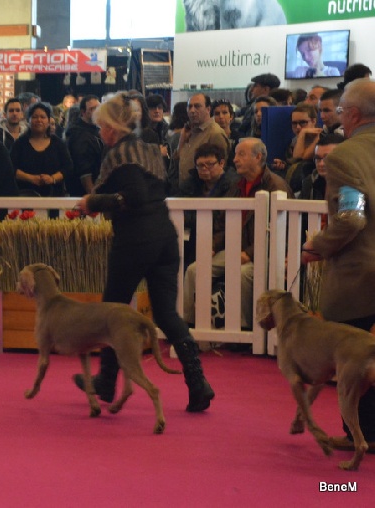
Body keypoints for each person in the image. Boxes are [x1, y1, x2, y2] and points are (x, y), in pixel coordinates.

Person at [71, 92, 214, 413]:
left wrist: (92, 202)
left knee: (112, 310)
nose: (100, 133)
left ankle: (107, 381)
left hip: (135, 240)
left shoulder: (120, 154)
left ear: (112, 127)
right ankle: (198, 383)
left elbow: (130, 197)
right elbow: (148, 194)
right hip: (164, 236)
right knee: (167, 314)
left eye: (102, 126)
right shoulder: (150, 149)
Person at [302, 78, 375, 450]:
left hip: (359, 278)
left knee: (353, 359)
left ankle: (364, 435)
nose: (340, 117)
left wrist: (319, 245)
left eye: (342, 111)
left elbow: (352, 218)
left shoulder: (346, 156)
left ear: (355, 115)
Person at [184, 138, 293, 331]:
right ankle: (188, 325)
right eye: (235, 155)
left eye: (241, 154)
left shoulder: (276, 186)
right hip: (235, 249)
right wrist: (214, 246)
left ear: (258, 157)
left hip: (267, 253)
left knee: (242, 274)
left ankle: (243, 330)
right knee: (194, 269)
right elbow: (222, 223)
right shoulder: (236, 187)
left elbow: (278, 229)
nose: (235, 160)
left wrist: (250, 253)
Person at [172, 92, 229, 196]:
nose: (192, 110)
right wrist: (181, 142)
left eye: (197, 106)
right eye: (190, 107)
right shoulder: (188, 132)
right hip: (185, 191)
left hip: (203, 195)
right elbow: (178, 165)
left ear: (208, 109)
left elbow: (221, 170)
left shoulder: (215, 133)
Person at [10, 102, 71, 198]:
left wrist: (52, 178)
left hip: (54, 197)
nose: (39, 120)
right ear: (28, 121)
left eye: (43, 117)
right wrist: (31, 178)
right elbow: (11, 168)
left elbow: (68, 167)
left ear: (48, 121)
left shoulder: (58, 143)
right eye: (34, 117)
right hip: (25, 196)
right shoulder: (20, 143)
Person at [64, 94, 103, 196]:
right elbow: (84, 169)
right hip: (82, 192)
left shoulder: (96, 130)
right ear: (83, 112)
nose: (97, 111)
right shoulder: (78, 133)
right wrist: (91, 194)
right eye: (93, 108)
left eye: (99, 107)